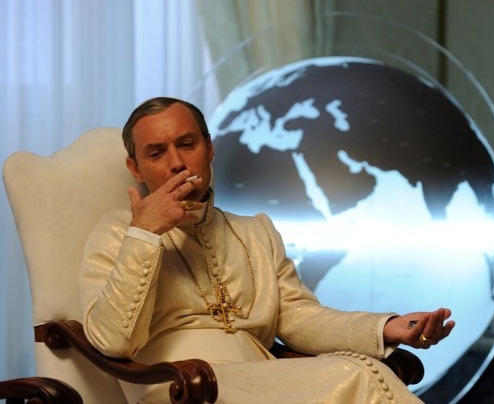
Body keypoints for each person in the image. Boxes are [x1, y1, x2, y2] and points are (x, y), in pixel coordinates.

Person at [79, 96, 455, 403]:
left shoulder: (255, 231)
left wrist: (386, 328)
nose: (176, 163)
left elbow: (299, 318)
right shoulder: (119, 231)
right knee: (359, 376)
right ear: (136, 168)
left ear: (209, 149)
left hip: (264, 377)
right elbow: (111, 342)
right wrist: (145, 233)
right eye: (157, 152)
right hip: (180, 388)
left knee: (360, 373)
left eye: (187, 144)